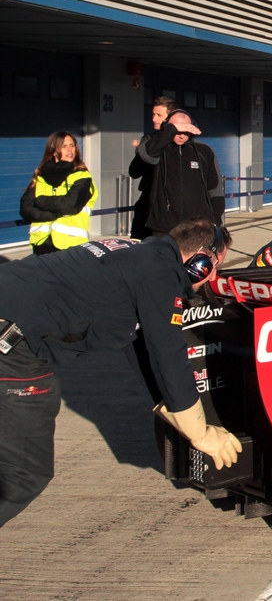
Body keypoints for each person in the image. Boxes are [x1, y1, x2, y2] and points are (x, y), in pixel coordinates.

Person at [0, 219, 242, 527]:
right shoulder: (161, 274)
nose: (214, 276)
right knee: (24, 474)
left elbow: (139, 346)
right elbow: (168, 353)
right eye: (215, 266)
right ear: (200, 262)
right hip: (12, 343)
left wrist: (168, 407)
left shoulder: (135, 252)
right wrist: (200, 434)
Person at [133, 109, 225, 237]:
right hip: (164, 227)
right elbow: (147, 156)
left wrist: (215, 221)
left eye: (186, 131)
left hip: (197, 227)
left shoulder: (204, 151)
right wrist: (170, 131)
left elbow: (215, 190)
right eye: (177, 131)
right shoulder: (158, 148)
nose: (181, 136)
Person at [19, 132, 97, 255]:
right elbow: (25, 209)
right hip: (41, 244)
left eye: (72, 145)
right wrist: (51, 215)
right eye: (64, 146)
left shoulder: (82, 176)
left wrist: (39, 201)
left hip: (71, 245)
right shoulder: (40, 176)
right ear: (54, 150)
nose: (70, 150)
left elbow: (69, 205)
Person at [129, 96, 177, 239]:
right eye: (153, 114)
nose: (154, 119)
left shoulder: (182, 145)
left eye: (159, 115)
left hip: (170, 209)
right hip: (147, 205)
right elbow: (134, 171)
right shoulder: (149, 141)